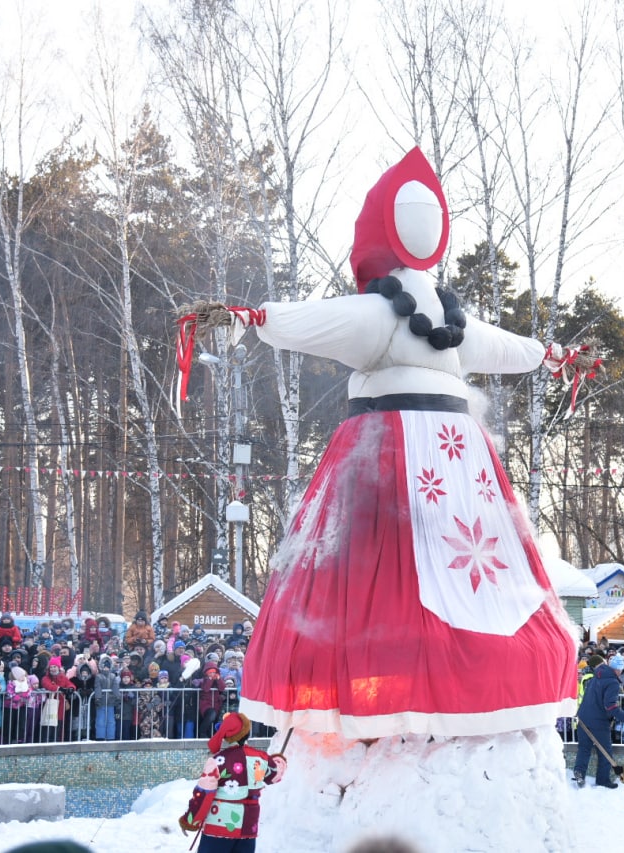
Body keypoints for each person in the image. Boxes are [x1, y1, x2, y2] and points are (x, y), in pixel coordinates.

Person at [221, 148, 591, 739]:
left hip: (415, 452)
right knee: (427, 568)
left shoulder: (397, 315)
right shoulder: (415, 318)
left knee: (389, 577)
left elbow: (319, 321)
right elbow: (500, 345)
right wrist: (549, 355)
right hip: (440, 454)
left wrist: (256, 318)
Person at [180, 711, 286, 852]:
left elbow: (203, 794)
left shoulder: (218, 761)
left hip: (218, 829)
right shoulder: (262, 759)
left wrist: (190, 821)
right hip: (248, 828)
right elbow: (275, 775)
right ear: (247, 733)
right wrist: (279, 760)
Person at [573, 660, 624, 788]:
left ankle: (579, 772)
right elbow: (610, 705)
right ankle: (603, 779)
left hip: (582, 717)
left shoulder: (596, 676)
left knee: (584, 748)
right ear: (619, 669)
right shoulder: (613, 682)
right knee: (605, 751)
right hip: (599, 721)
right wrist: (623, 716)